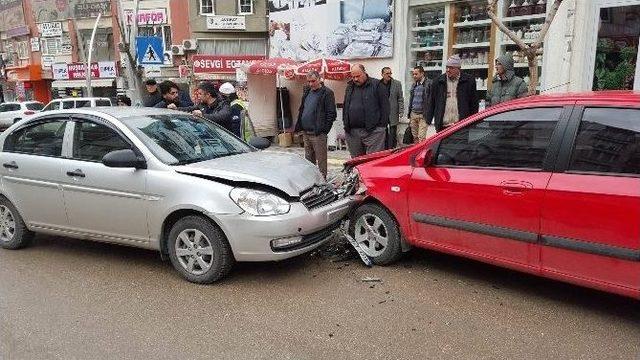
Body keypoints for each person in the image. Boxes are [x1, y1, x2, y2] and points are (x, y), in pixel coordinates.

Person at [294, 71, 337, 178]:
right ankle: (311, 181)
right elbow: (303, 109)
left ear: (319, 79)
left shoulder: (327, 93)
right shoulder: (307, 92)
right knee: (309, 160)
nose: (311, 84)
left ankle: (322, 182)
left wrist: (324, 130)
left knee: (321, 161)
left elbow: (331, 113)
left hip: (318, 133)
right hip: (306, 132)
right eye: (309, 81)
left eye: (313, 81)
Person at [343, 64, 389, 158]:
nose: (355, 79)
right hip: (353, 133)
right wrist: (346, 124)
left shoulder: (377, 85)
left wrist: (381, 127)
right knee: (357, 163)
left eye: (358, 76)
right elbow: (346, 106)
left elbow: (385, 107)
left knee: (372, 162)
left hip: (373, 132)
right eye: (353, 77)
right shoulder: (350, 87)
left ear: (364, 72)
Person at [425, 55, 478, 132]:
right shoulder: (438, 81)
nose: (448, 70)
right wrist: (428, 120)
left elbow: (474, 104)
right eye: (447, 67)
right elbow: (432, 101)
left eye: (451, 68)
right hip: (443, 126)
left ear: (458, 69)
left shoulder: (469, 81)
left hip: (462, 126)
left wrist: (473, 122)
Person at [381, 67, 404, 148]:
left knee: (393, 132)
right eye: (387, 73)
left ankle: (391, 149)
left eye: (390, 73)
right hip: (382, 112)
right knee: (383, 131)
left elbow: (400, 98)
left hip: (393, 111)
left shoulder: (397, 84)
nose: (389, 75)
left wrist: (401, 110)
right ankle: (384, 149)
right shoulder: (378, 84)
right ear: (382, 74)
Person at [407, 66, 430, 143]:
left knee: (421, 138)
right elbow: (411, 99)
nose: (414, 76)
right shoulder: (414, 85)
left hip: (423, 115)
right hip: (413, 114)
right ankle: (416, 154)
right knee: (415, 137)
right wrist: (409, 114)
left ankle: (422, 154)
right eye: (413, 74)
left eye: (416, 74)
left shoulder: (429, 83)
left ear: (422, 73)